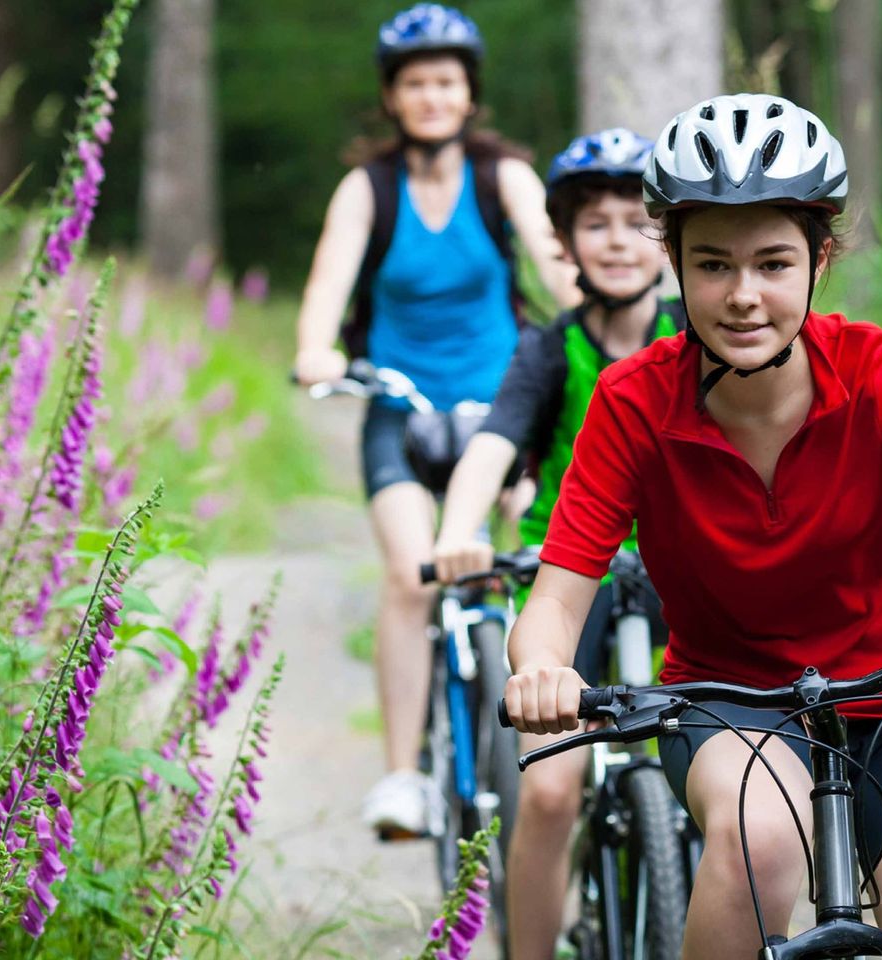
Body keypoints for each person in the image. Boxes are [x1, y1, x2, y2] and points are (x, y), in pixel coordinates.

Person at [501, 93, 882, 960]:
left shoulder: (881, 372)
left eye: (773, 263)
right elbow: (559, 596)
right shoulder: (633, 401)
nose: (744, 296)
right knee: (762, 842)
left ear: (819, 260)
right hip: (728, 702)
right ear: (672, 260)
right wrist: (541, 671)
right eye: (712, 265)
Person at [292, 3, 574, 837]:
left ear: (469, 92)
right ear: (391, 96)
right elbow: (327, 285)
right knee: (410, 572)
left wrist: (599, 317)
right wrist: (316, 353)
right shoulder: (367, 189)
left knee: (523, 555)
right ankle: (402, 778)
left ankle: (555, 745)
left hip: (501, 403)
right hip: (399, 410)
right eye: (415, 83)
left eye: (446, 81)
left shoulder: (505, 179)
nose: (431, 97)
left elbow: (559, 269)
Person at [431, 128, 681, 959]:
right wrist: (458, 532)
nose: (617, 241)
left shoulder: (700, 336)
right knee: (550, 792)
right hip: (566, 576)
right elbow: (495, 446)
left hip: (689, 578)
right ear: (566, 243)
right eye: (595, 223)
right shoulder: (549, 350)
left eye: (635, 222)